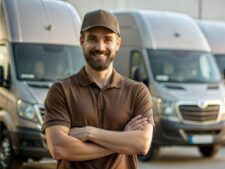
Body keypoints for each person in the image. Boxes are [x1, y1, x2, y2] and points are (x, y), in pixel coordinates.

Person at [42, 9, 154, 169]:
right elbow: (59, 148)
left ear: (118, 43)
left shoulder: (137, 91)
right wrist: (123, 139)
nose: (100, 47)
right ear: (82, 42)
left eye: (107, 39)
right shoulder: (61, 90)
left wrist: (89, 133)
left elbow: (142, 144)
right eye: (92, 39)